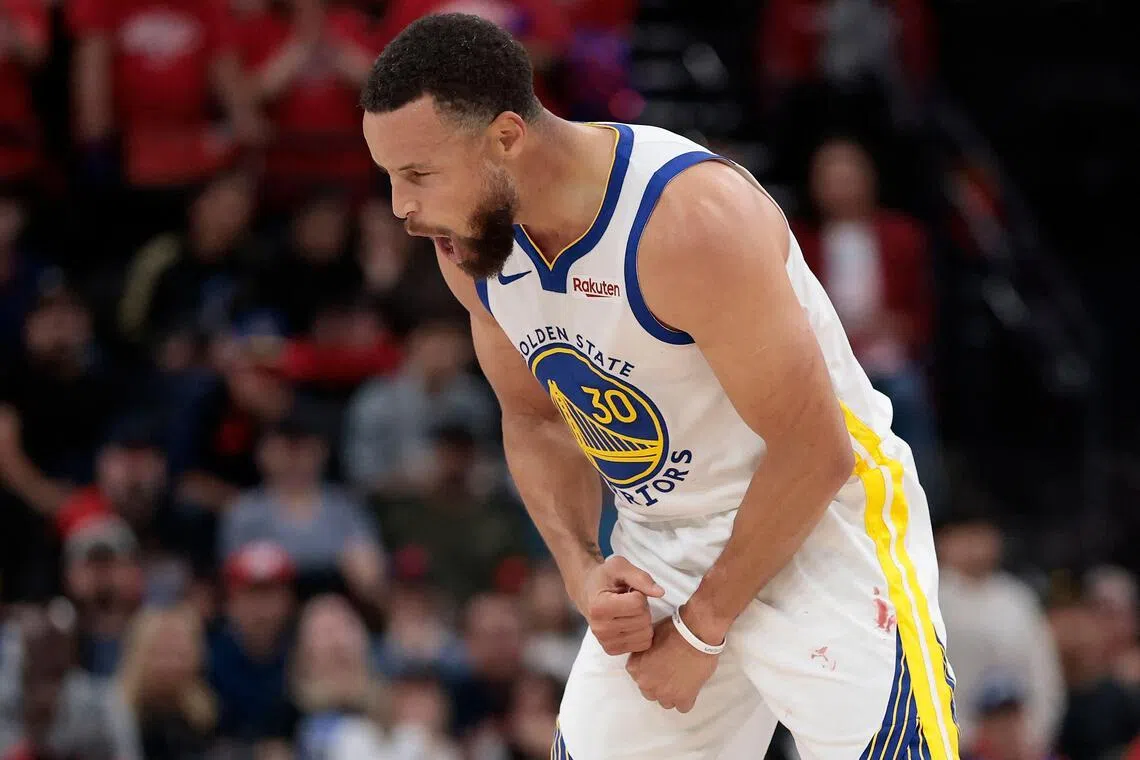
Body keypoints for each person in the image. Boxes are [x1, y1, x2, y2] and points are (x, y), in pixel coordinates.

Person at [359, 13, 958, 760]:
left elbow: (813, 451)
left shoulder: (689, 221)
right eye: (390, 177)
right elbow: (537, 420)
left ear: (506, 137)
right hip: (661, 543)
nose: (400, 210)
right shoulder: (471, 245)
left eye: (417, 175)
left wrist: (704, 630)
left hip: (818, 527)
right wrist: (582, 572)